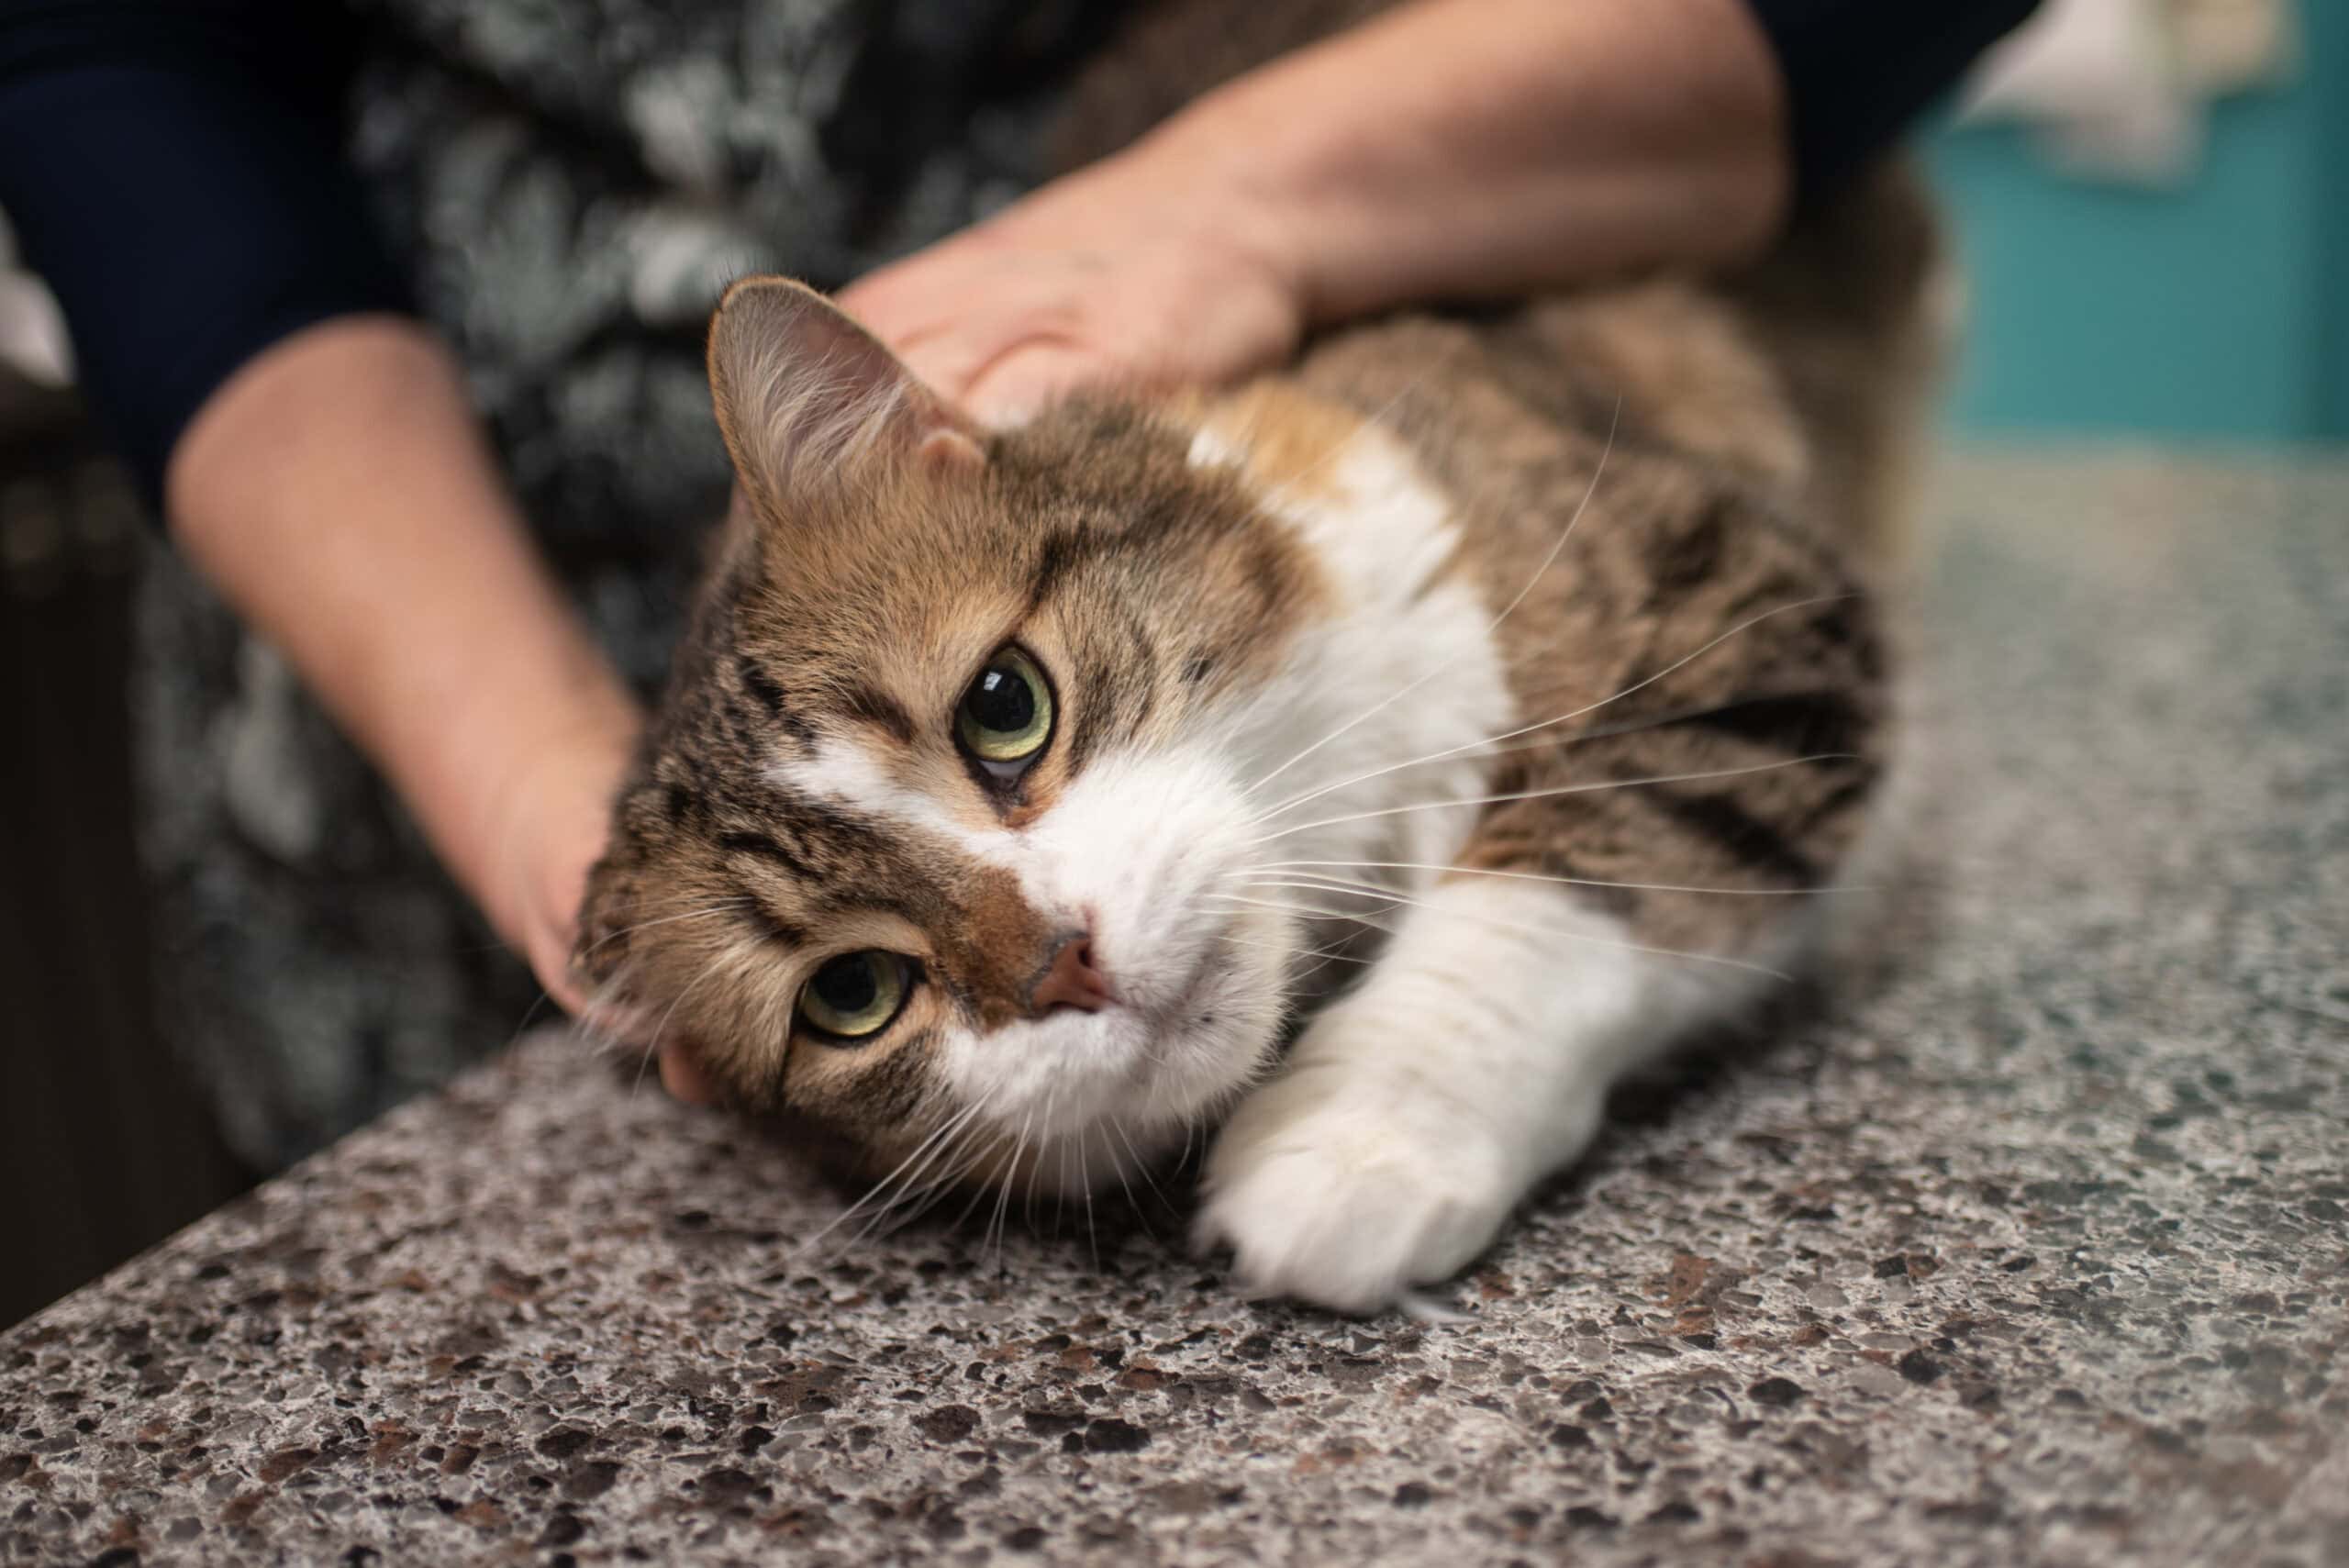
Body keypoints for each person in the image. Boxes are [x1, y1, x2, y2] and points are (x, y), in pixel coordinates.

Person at [0, 0, 2039, 1163]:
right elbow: (101, 59)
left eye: (1000, 726)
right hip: (408, 745)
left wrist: (1258, 199)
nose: (1034, 965)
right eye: (868, 991)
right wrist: (543, 787)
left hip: (1346, 199)